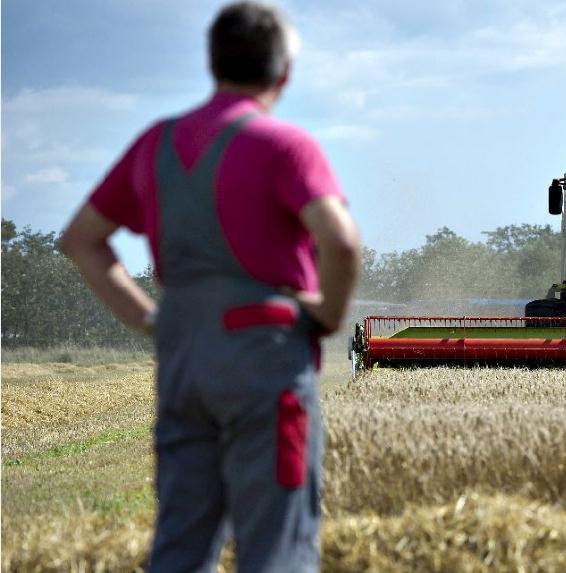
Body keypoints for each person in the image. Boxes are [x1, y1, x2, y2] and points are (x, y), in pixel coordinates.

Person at [59, 3, 360, 571]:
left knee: (182, 541)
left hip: (182, 356)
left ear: (211, 63)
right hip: (264, 357)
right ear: (284, 73)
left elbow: (80, 240)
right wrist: (327, 313)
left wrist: (151, 319)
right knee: (276, 543)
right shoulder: (284, 145)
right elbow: (340, 242)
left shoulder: (156, 143)